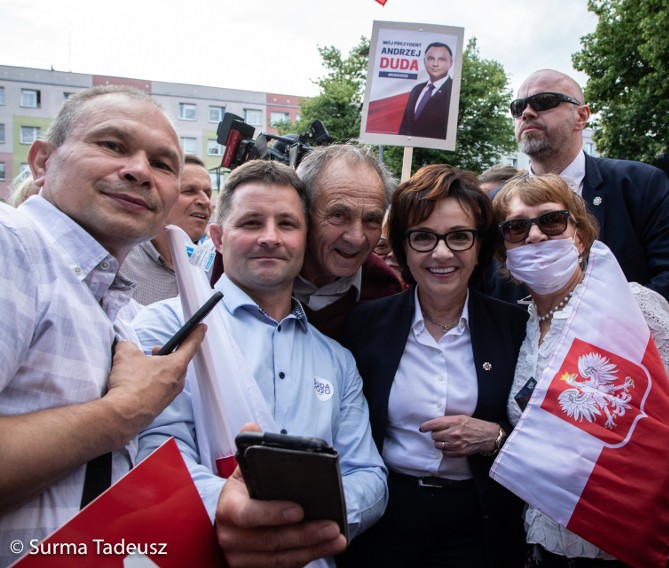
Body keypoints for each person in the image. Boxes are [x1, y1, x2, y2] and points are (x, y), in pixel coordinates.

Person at [133, 159, 387, 567]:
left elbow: (370, 476)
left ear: (305, 239)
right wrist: (238, 511)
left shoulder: (337, 359)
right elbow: (154, 455)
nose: (270, 238)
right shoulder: (167, 325)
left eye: (287, 224)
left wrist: (309, 516)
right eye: (251, 223)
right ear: (217, 237)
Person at [0, 85, 205, 566]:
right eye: (112, 145)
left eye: (163, 164)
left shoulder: (123, 313)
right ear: (42, 161)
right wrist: (124, 413)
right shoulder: (12, 244)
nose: (138, 171)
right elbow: (122, 417)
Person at [492, 173, 669, 566]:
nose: (536, 236)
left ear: (579, 234)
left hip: (637, 538)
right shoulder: (518, 326)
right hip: (550, 541)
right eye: (517, 227)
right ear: (503, 250)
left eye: (552, 221)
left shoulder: (631, 304)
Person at [341, 164, 527, 567]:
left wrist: (495, 437)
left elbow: (548, 436)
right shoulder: (365, 323)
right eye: (423, 237)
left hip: (479, 518)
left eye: (459, 237)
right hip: (387, 514)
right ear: (403, 247)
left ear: (479, 247)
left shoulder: (515, 327)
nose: (441, 253)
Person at [499, 69, 669, 322]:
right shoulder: (496, 203)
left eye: (544, 102)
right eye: (517, 107)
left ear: (581, 116)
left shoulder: (639, 184)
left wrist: (594, 331)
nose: (527, 113)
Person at [294, 144, 403, 341]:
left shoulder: (385, 290)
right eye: (338, 215)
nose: (356, 238)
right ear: (304, 214)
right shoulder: (257, 268)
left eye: (371, 220)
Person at [122, 154, 213, 304]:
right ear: (162, 196)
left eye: (208, 193)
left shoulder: (210, 269)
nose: (205, 201)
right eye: (189, 191)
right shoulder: (121, 262)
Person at [398, 42, 455, 140]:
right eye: (431, 58)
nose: (435, 64)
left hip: (435, 153)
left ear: (450, 63)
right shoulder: (416, 90)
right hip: (408, 149)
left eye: (441, 59)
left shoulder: (454, 91)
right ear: (424, 61)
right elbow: (405, 127)